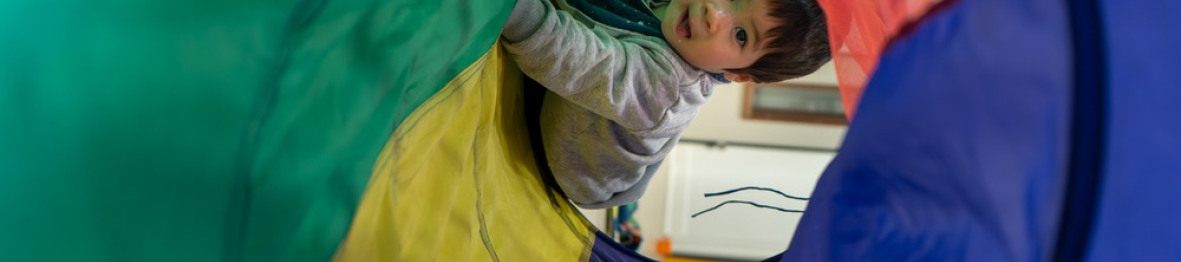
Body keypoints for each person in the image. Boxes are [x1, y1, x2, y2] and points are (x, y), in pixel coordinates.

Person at [501, 0, 830, 208]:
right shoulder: (681, 13)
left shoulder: (668, 87)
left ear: (737, 75)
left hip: (580, 167)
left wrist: (514, 12)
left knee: (582, 64)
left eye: (741, 35)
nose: (715, 13)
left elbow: (576, 59)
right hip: (607, 100)